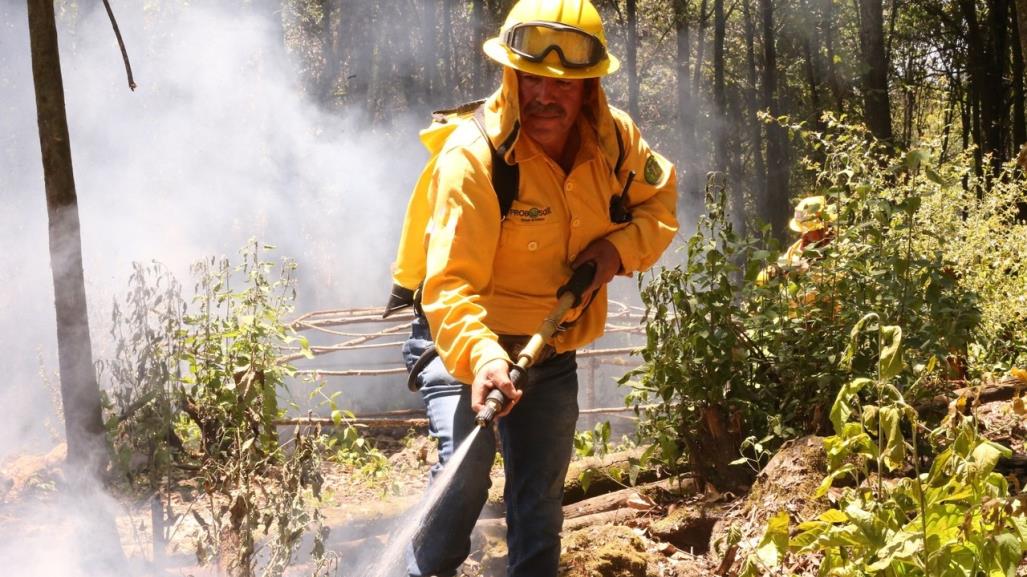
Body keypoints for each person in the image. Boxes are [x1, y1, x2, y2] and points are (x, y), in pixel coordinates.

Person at [399, 1, 677, 575]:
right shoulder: (474, 160)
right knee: (462, 480)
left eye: (564, 84)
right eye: (530, 79)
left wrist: (616, 251)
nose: (544, 96)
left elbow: (659, 204)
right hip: (461, 344)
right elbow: (450, 286)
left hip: (548, 345)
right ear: (510, 75)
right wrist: (482, 359)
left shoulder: (616, 143)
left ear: (589, 88)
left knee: (539, 499)